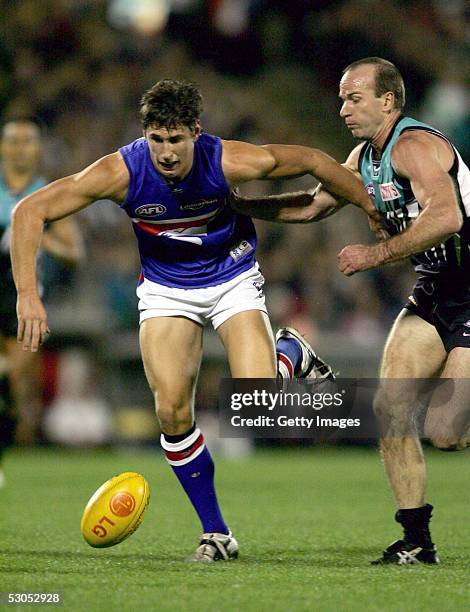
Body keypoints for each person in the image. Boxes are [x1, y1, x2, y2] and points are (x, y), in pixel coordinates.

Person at [10, 79, 377, 561]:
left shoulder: (228, 160)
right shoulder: (120, 171)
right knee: (171, 413)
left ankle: (291, 352)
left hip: (231, 278)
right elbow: (29, 211)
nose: (165, 152)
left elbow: (313, 161)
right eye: (156, 139)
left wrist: (372, 206)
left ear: (196, 133)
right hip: (166, 291)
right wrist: (28, 295)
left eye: (176, 139)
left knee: (259, 409)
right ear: (145, 136)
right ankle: (216, 533)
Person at [230, 57, 470, 565]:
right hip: (436, 290)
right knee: (390, 409)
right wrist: (238, 205)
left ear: (388, 101)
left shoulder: (415, 146)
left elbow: (447, 216)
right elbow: (311, 205)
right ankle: (416, 542)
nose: (342, 108)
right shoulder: (365, 157)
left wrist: (376, 253)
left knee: (448, 432)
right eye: (340, 98)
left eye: (354, 98)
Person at [0, 119, 83, 476]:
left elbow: (74, 251)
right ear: (3, 147)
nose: (20, 148)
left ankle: (18, 440)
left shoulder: (45, 194)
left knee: (18, 381)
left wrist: (36, 236)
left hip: (23, 298)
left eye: (28, 141)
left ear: (38, 149)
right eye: (13, 141)